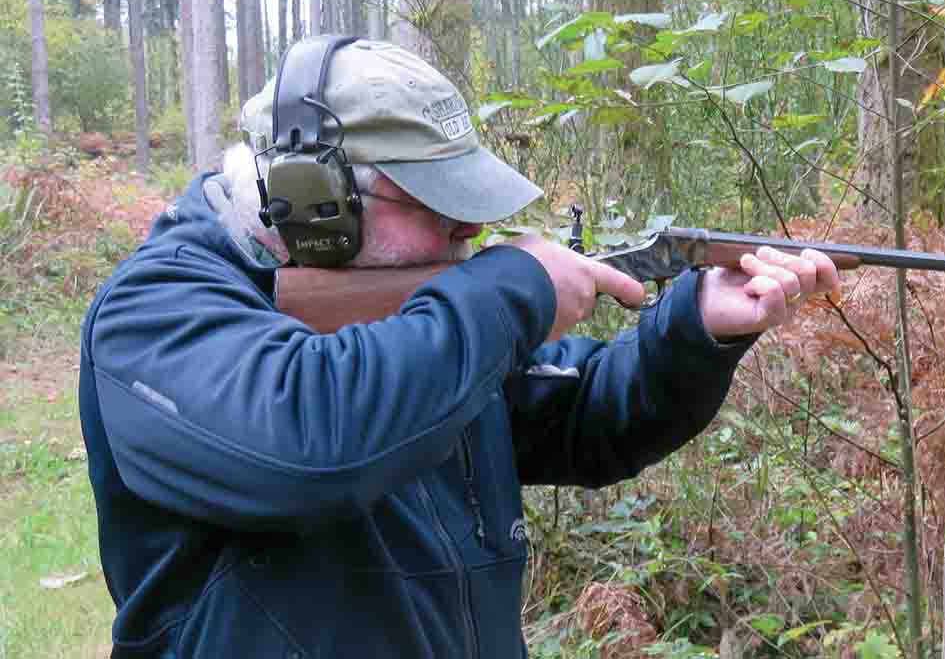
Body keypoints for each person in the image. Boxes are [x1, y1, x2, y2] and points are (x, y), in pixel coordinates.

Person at [78, 37, 839, 658]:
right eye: (436, 205)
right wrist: (509, 292)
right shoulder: (153, 314)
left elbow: (586, 413)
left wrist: (698, 326)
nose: (469, 231)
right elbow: (309, 443)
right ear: (319, 197)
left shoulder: (434, 322)